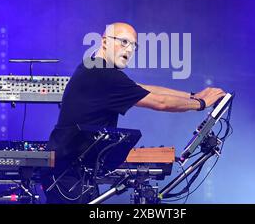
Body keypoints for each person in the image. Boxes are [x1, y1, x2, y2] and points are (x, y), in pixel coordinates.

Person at [42, 22, 226, 203]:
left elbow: (145, 88)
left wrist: (192, 95)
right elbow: (159, 102)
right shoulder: (101, 73)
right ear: (105, 41)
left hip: (75, 173)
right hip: (67, 175)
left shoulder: (95, 67)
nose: (129, 50)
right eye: (124, 42)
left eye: (133, 46)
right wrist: (201, 103)